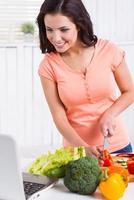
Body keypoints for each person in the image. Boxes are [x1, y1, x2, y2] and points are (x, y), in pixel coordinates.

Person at [37, 0, 134, 159]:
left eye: (64, 30)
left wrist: (109, 114)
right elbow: (58, 117)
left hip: (117, 147)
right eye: (49, 30)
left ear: (79, 25)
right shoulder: (48, 66)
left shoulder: (109, 50)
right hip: (76, 152)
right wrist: (83, 147)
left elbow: (130, 91)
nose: (56, 38)